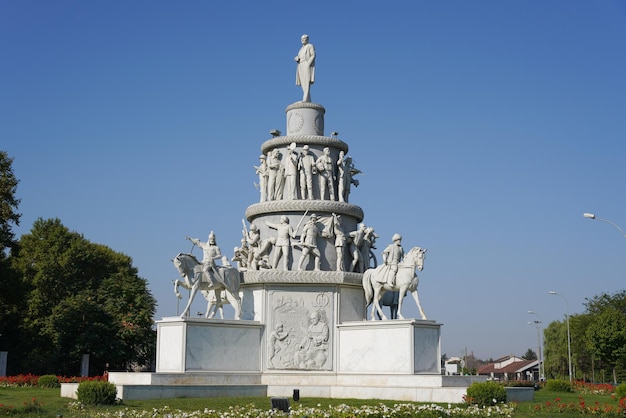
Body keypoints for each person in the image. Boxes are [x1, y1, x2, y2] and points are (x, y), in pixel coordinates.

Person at [294, 34, 315, 102]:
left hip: (306, 64)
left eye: (304, 38)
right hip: (300, 65)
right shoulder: (300, 49)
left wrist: (308, 63)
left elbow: (313, 55)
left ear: (307, 39)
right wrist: (297, 58)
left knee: (306, 80)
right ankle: (307, 98)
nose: (302, 40)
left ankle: (305, 98)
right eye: (301, 39)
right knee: (302, 81)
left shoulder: (310, 46)